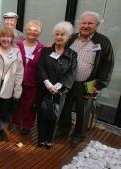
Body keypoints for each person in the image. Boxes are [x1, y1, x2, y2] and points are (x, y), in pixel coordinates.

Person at [57, 11, 114, 148]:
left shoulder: (103, 42)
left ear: (97, 25)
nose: (86, 26)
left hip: (88, 83)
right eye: (84, 23)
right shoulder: (72, 38)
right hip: (68, 81)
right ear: (79, 24)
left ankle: (78, 135)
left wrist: (100, 84)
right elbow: (60, 51)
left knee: (83, 111)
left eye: (90, 23)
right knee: (65, 107)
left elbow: (108, 64)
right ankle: (63, 129)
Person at [36, 21, 77, 149]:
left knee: (55, 115)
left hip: (60, 91)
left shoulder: (72, 54)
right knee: (42, 114)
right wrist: (48, 83)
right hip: (45, 88)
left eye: (62, 35)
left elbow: (72, 72)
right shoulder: (46, 50)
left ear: (68, 37)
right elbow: (40, 67)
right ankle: (41, 139)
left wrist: (58, 86)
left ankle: (49, 140)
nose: (59, 37)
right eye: (57, 34)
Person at [12, 20, 44, 135]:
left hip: (33, 82)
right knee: (16, 102)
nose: (32, 32)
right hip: (17, 80)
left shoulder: (41, 48)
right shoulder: (18, 44)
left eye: (35, 30)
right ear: (25, 31)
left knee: (29, 105)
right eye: (30, 29)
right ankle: (15, 122)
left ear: (39, 33)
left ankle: (27, 125)